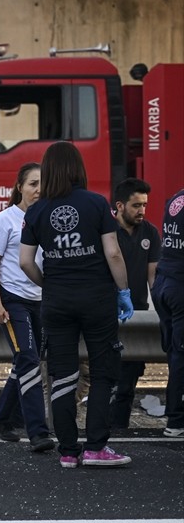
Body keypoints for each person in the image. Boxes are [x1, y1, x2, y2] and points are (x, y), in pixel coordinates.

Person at [20, 141, 133, 468]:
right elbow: (113, 252)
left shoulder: (36, 211)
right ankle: (97, 447)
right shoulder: (97, 204)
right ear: (77, 168)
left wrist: (48, 284)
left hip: (56, 301)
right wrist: (123, 291)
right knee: (103, 371)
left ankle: (68, 451)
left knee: (62, 374)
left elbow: (25, 261)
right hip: (97, 298)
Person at [0, 163, 54, 451]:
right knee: (28, 359)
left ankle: (1, 419)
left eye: (42, 184)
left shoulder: (48, 219)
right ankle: (38, 432)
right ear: (20, 187)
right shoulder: (5, 220)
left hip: (41, 301)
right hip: (13, 300)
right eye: (32, 184)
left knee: (28, 361)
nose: (38, 190)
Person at [109, 177, 160, 428]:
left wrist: (161, 309)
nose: (142, 211)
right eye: (136, 206)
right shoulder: (106, 229)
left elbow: (154, 276)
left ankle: (120, 431)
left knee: (128, 383)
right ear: (120, 205)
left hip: (137, 313)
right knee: (106, 380)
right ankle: (101, 430)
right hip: (107, 313)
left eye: (145, 205)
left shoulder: (150, 232)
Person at [151, 187, 184, 438]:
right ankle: (176, 420)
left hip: (164, 283)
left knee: (176, 355)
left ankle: (175, 418)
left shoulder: (176, 198)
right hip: (180, 286)